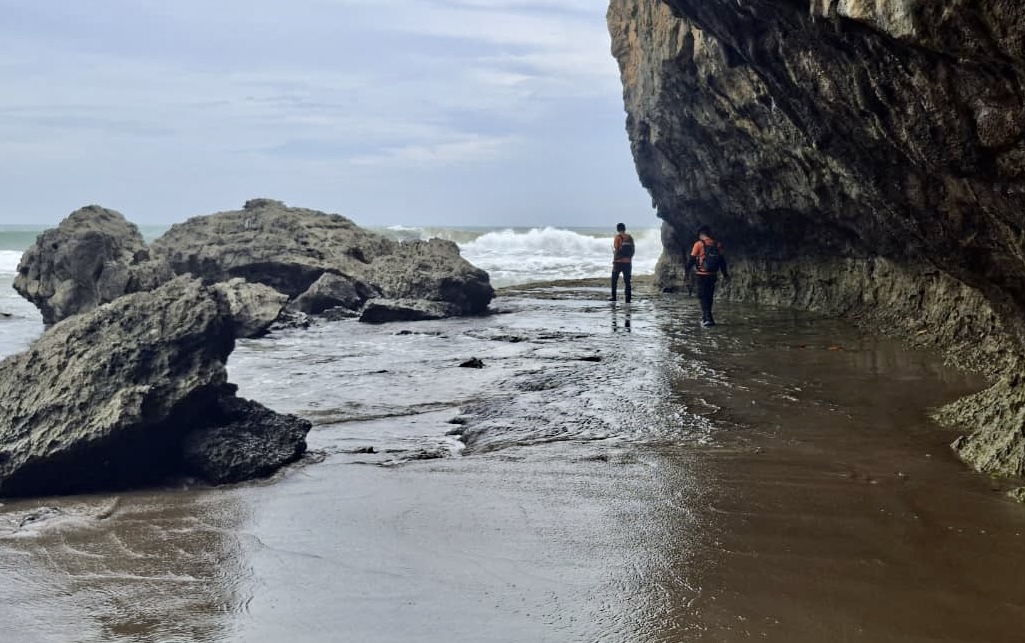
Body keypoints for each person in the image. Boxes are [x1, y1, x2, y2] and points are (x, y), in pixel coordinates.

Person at [685, 225, 729, 327]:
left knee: (702, 296)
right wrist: (725, 274)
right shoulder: (717, 244)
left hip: (702, 275)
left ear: (701, 234)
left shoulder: (698, 244)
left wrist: (686, 269)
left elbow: (692, 260)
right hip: (713, 275)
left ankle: (707, 319)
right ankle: (707, 317)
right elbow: (722, 261)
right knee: (709, 296)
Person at [610, 223, 634, 303]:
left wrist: (615, 255)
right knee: (627, 281)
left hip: (618, 262)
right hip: (628, 262)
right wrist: (629, 258)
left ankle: (613, 297)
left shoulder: (617, 237)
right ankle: (628, 298)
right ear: (625, 229)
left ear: (617, 229)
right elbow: (633, 249)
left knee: (614, 280)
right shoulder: (630, 237)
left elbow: (616, 248)